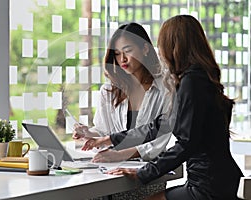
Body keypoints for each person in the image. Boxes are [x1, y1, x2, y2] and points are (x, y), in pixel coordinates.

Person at [82, 15, 244, 200]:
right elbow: (160, 125)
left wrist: (143, 173)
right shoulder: (196, 78)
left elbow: (185, 144)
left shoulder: (192, 82)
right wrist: (109, 139)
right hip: (214, 179)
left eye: (162, 44)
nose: (159, 51)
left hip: (208, 185)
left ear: (175, 46)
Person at [73, 22, 172, 199]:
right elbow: (104, 131)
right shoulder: (109, 90)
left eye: (128, 51)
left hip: (147, 173)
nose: (122, 60)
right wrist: (89, 133)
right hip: (111, 169)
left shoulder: (164, 88)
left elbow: (159, 142)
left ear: (145, 49)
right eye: (117, 54)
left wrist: (118, 155)